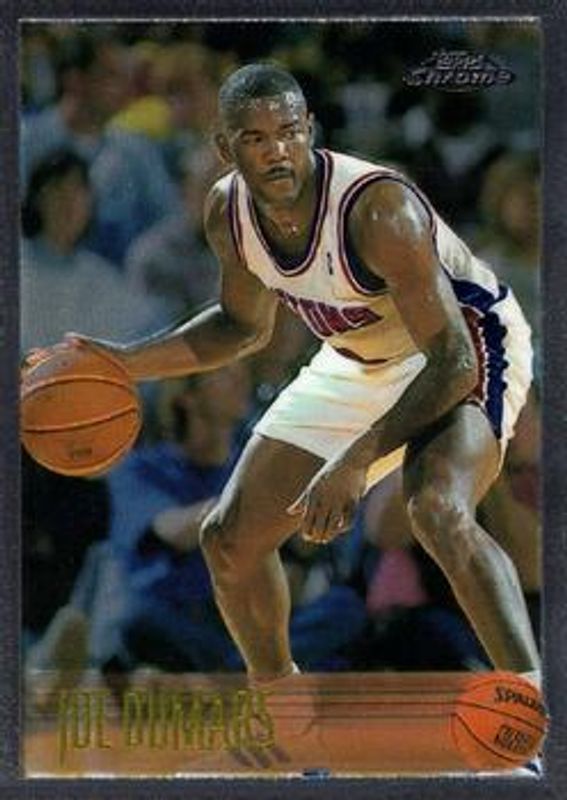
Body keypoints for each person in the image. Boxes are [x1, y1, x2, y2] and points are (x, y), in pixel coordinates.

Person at [27, 62, 540, 686]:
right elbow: (242, 327)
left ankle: (531, 702)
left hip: (467, 343)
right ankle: (283, 710)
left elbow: (454, 361)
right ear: (224, 147)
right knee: (228, 540)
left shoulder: (379, 210)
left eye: (290, 132)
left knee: (436, 507)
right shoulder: (229, 212)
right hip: (362, 352)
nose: (277, 151)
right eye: (255, 138)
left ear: (311, 129)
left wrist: (355, 461)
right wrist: (128, 362)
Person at [20, 30, 181, 265]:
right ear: (75, 80)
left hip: (119, 280)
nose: (125, 88)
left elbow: (169, 222)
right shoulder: (25, 143)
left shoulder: (136, 150)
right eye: (111, 76)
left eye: (125, 77)